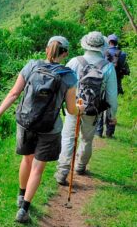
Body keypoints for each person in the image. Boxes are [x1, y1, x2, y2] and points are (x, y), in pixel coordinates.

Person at [0, 36, 78, 223]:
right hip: (50, 128)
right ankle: (24, 210)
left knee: (26, 160)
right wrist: (81, 108)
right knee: (37, 168)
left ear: (47, 49)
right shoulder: (69, 76)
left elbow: (14, 93)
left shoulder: (31, 66)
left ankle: (21, 196)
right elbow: (71, 110)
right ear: (66, 54)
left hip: (26, 122)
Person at [55, 32, 118, 185]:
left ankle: (62, 172)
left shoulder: (74, 62)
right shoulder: (108, 67)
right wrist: (112, 115)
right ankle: (80, 166)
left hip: (74, 106)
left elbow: (62, 85)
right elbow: (111, 96)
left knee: (68, 138)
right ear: (101, 46)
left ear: (86, 45)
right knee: (86, 139)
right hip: (92, 109)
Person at [96, 34, 130, 137]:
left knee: (100, 104)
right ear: (116, 42)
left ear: (108, 42)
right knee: (112, 106)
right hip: (116, 83)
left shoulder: (103, 53)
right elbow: (125, 70)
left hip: (103, 81)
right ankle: (110, 132)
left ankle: (98, 131)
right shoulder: (123, 54)